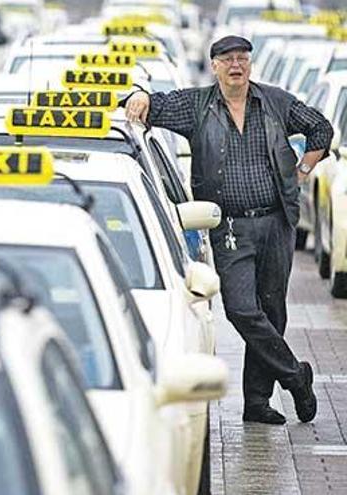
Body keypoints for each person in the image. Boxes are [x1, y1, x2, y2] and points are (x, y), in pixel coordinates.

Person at [123, 35, 333, 424]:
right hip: (230, 226)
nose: (236, 65)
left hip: (276, 221)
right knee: (240, 309)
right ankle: (295, 376)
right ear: (215, 66)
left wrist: (302, 171)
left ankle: (257, 402)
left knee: (271, 309)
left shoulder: (275, 102)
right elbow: (154, 105)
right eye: (228, 59)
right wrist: (139, 95)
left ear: (249, 64)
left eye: (242, 58)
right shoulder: (197, 105)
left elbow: (321, 128)